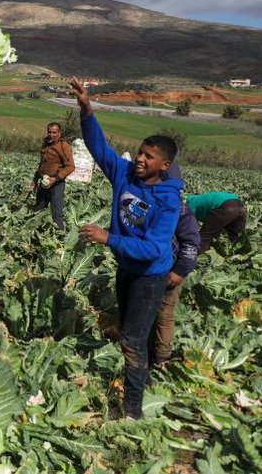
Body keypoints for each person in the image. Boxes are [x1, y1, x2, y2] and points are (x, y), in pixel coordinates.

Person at [70, 78, 182, 420]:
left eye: (149, 156)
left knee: (132, 339)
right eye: (140, 152)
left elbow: (152, 248)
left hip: (151, 275)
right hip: (126, 268)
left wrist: (109, 238)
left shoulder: (168, 200)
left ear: (164, 165)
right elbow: (99, 147)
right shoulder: (125, 175)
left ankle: (133, 411)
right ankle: (140, 381)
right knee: (131, 331)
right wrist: (87, 108)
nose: (139, 159)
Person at [148, 163, 201, 370]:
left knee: (164, 314)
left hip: (169, 271)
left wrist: (179, 271)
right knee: (145, 311)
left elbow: (191, 243)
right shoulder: (144, 203)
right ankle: (144, 349)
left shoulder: (180, 209)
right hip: (145, 269)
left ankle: (161, 357)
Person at [31, 122, 75, 229]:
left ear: (59, 133)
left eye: (54, 132)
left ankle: (60, 237)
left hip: (57, 183)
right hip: (44, 182)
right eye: (49, 132)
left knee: (56, 212)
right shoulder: (46, 144)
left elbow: (70, 167)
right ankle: (37, 232)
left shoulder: (63, 146)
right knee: (39, 209)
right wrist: (35, 180)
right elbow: (42, 164)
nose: (51, 135)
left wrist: (55, 179)